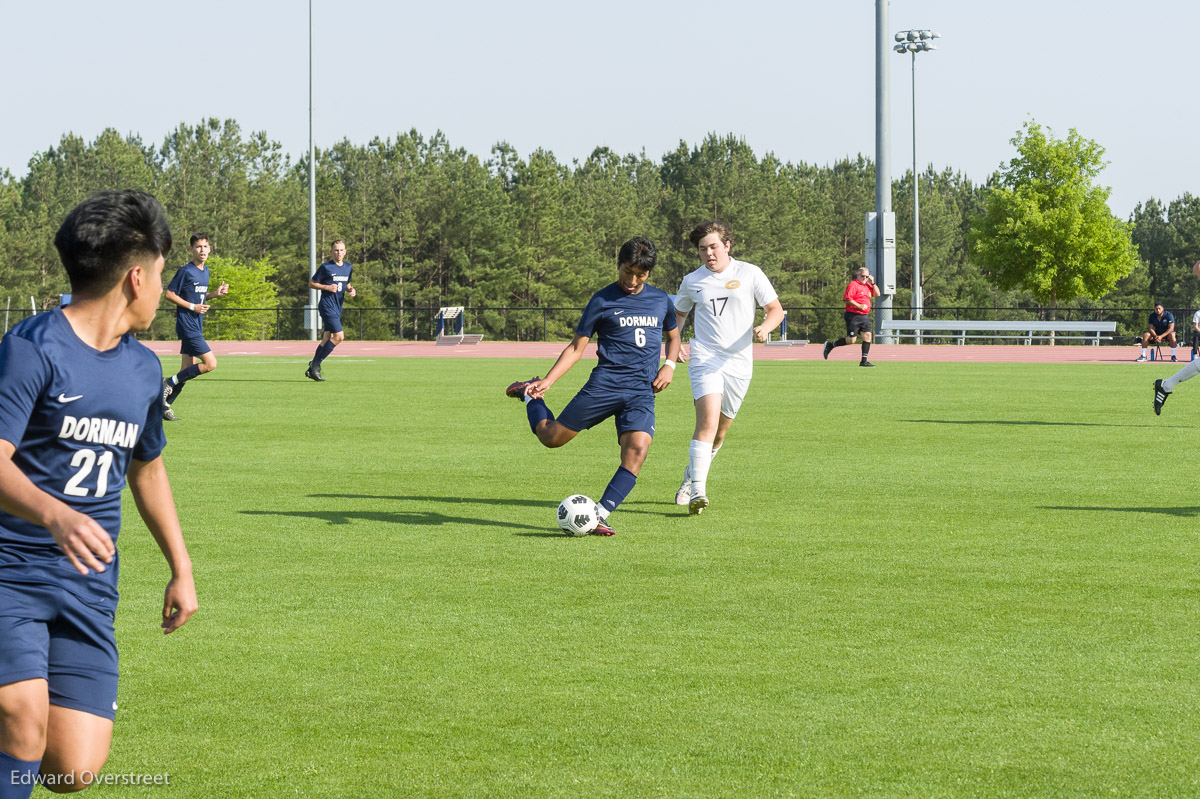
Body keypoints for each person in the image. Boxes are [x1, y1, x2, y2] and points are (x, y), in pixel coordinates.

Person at [0, 191, 197, 798]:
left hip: (88, 587)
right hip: (10, 572)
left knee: (72, 769)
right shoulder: (31, 348)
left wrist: (181, 568)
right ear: (137, 277)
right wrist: (54, 514)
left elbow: (149, 469)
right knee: (22, 722)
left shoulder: (142, 370)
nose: (164, 291)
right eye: (163, 274)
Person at [505, 237, 679, 535]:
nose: (633, 280)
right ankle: (528, 396)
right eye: (627, 271)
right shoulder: (601, 300)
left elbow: (674, 337)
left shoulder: (661, 300)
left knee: (637, 449)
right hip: (605, 386)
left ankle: (598, 514)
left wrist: (670, 365)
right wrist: (547, 381)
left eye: (641, 275)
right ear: (618, 265)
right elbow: (576, 348)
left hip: (640, 392)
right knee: (551, 437)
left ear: (649, 274)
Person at [672, 221, 784, 515]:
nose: (708, 253)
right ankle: (698, 489)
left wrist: (765, 327)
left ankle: (690, 474)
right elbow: (678, 314)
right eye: (702, 249)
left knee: (720, 433)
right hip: (705, 358)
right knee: (707, 423)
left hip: (739, 363)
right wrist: (675, 345)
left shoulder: (749, 272)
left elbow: (776, 309)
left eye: (713, 247)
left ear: (727, 246)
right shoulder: (692, 281)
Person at [160, 233, 228, 420]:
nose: (202, 250)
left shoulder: (205, 271)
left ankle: (164, 405)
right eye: (198, 247)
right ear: (191, 249)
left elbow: (197, 297)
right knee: (210, 363)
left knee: (186, 371)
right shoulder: (185, 271)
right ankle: (167, 382)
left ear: (210, 249)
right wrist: (192, 307)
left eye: (205, 247)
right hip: (187, 324)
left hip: (196, 325)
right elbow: (169, 294)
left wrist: (215, 294)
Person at [305, 240, 356, 382]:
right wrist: (326, 287)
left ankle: (312, 368)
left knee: (327, 337)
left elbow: (346, 283)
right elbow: (311, 283)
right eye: (336, 250)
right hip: (327, 306)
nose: (339, 253)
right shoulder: (326, 267)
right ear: (331, 252)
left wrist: (351, 289)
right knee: (339, 337)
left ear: (345, 252)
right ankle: (315, 364)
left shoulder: (348, 267)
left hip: (338, 307)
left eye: (341, 250)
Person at [823, 267, 881, 367]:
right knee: (852, 340)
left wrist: (873, 283)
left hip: (864, 316)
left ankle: (864, 361)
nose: (864, 278)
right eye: (862, 276)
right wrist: (860, 306)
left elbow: (877, 293)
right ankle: (830, 345)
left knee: (867, 336)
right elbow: (846, 299)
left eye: (867, 276)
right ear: (858, 275)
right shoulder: (853, 285)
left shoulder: (867, 285)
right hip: (853, 316)